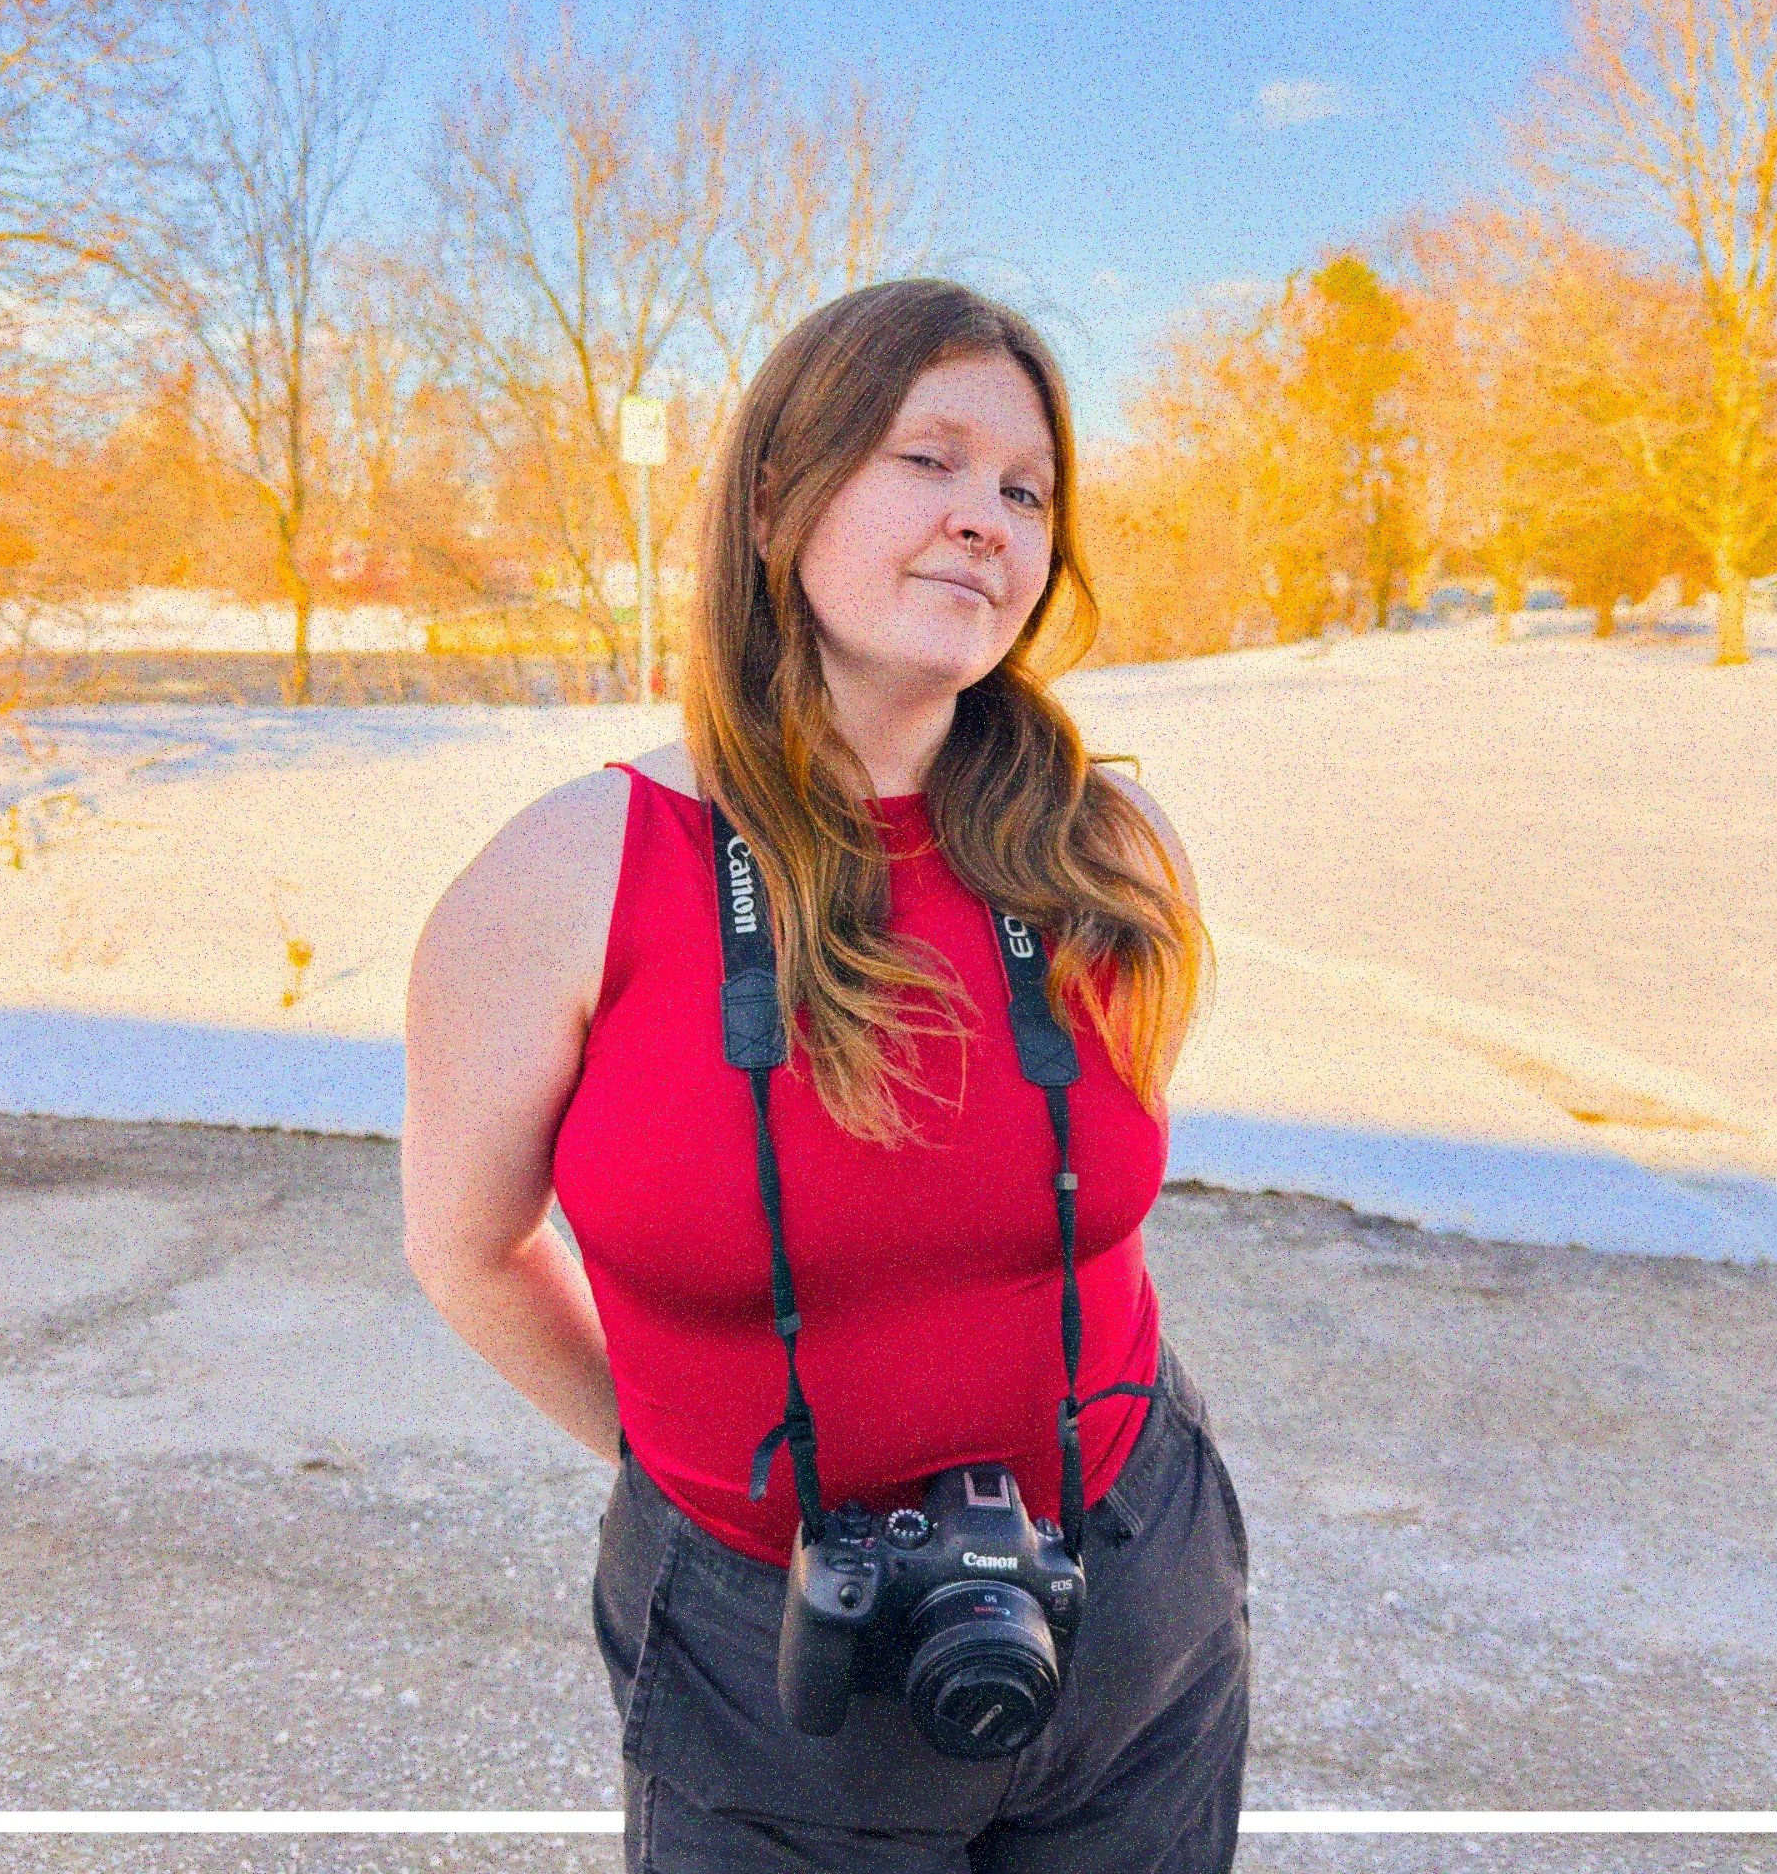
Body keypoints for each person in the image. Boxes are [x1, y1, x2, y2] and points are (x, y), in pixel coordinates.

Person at [402, 279, 1250, 1871]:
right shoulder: (568, 878)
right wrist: (720, 1498)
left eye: (1025, 489)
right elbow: (467, 1246)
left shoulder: (1107, 851)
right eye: (928, 460)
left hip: (1136, 1592)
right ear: (780, 499)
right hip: (771, 1644)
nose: (985, 520)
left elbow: (1082, 1212)